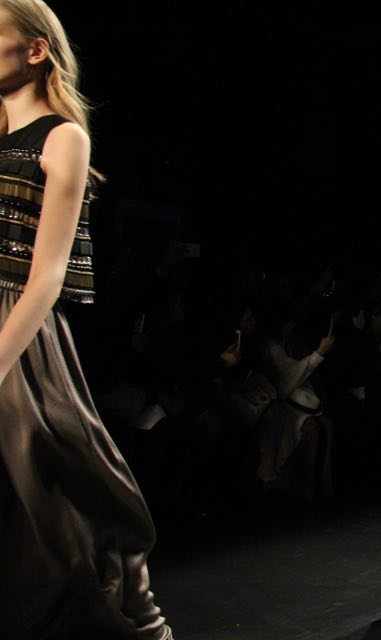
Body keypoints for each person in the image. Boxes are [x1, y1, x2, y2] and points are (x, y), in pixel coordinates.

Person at [0, 2, 171, 638]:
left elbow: (45, 277)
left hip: (20, 332)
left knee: (55, 506)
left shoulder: (62, 137)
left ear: (36, 50)